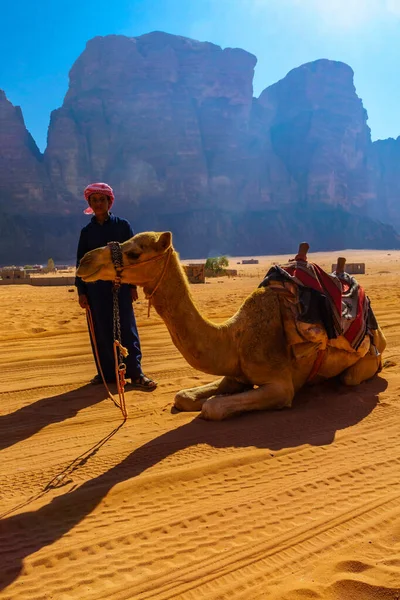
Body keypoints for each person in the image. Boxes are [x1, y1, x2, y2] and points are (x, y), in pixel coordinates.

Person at [75, 182, 157, 391]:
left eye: (102, 199)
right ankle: (108, 374)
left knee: (126, 330)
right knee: (101, 331)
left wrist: (132, 286)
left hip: (120, 286)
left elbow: (134, 257)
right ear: (90, 204)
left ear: (109, 201)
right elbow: (80, 263)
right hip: (95, 290)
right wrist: (81, 291)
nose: (99, 204)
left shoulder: (122, 226)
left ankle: (136, 374)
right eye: (94, 200)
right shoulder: (87, 232)